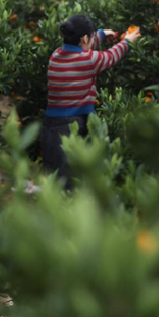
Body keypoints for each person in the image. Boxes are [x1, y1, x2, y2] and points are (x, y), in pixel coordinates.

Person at [41, 14, 141, 190]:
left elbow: (81, 48)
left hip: (50, 128)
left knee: (53, 182)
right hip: (70, 127)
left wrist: (101, 34)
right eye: (92, 36)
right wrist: (128, 41)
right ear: (85, 38)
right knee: (69, 186)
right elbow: (111, 56)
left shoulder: (56, 55)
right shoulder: (89, 60)